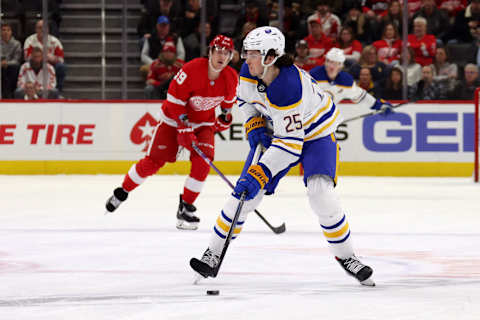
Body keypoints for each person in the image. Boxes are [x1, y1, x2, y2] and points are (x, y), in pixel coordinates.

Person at [190, 26, 375, 286]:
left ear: (270, 57)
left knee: (321, 194)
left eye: (252, 54)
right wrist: (253, 123)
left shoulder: (288, 86)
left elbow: (290, 145)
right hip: (280, 131)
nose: (245, 59)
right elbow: (243, 102)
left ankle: (347, 257)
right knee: (245, 197)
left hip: (316, 133)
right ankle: (212, 253)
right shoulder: (249, 72)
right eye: (246, 53)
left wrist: (261, 173)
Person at [105, 35, 238, 230]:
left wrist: (225, 118)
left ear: (231, 56)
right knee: (153, 162)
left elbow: (227, 105)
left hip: (203, 125)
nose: (221, 56)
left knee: (204, 161)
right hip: (173, 120)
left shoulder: (231, 78)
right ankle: (122, 191)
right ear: (210, 51)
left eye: (226, 53)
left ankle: (186, 207)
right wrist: (183, 126)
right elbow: (174, 99)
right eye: (218, 51)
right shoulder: (192, 69)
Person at [310, 48, 393, 114]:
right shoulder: (313, 76)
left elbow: (362, 96)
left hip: (324, 121)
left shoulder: (346, 81)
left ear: (341, 66)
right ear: (325, 62)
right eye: (329, 62)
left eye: (335, 63)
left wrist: (379, 105)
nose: (331, 67)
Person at [23, 19, 66, 92]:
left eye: (44, 28)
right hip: (35, 64)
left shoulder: (55, 41)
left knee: (61, 67)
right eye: (39, 28)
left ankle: (57, 92)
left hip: (50, 64)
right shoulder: (30, 40)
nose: (42, 30)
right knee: (25, 65)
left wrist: (53, 59)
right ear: (36, 29)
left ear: (48, 29)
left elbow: (61, 59)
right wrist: (43, 57)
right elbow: (27, 57)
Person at [1, 23, 22, 99]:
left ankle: (11, 93)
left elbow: (17, 60)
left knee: (15, 67)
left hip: (11, 68)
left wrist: (6, 63)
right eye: (3, 30)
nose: (6, 32)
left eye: (8, 30)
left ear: (11, 32)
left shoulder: (17, 44)